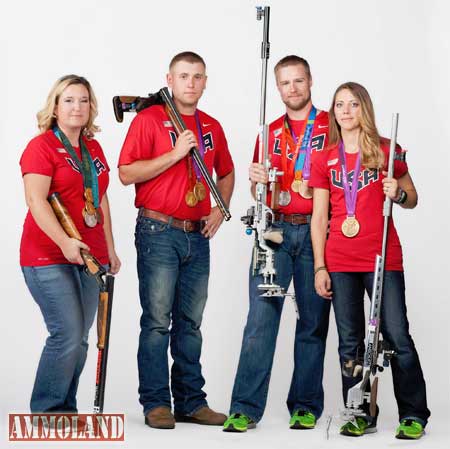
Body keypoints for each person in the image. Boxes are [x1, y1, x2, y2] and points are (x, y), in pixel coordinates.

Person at [118, 51, 235, 429]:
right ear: (169, 79)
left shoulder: (212, 126)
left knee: (191, 322)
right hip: (158, 231)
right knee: (156, 322)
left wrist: (220, 209)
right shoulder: (150, 119)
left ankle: (190, 402)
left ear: (205, 81)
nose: (191, 83)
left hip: (197, 235)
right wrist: (174, 154)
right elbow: (125, 173)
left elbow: (227, 173)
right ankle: (155, 403)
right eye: (183, 76)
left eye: (198, 76)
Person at [310, 82, 430, 439]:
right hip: (340, 259)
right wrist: (319, 265)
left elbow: (413, 199)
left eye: (353, 104)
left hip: (382, 258)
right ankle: (361, 411)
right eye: (339, 105)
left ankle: (413, 414)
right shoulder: (324, 157)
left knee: (396, 335)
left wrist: (400, 192)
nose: (345, 111)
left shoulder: (386, 150)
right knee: (350, 341)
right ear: (333, 112)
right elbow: (319, 218)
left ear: (365, 109)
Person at [223, 56, 331, 432]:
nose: (293, 89)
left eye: (298, 81)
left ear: (310, 80)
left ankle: (305, 406)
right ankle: (244, 408)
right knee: (260, 320)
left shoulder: (332, 125)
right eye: (285, 83)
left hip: (317, 231)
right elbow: (258, 192)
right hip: (275, 232)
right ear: (278, 87)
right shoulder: (268, 132)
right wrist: (255, 180)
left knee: (313, 323)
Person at [20, 74, 121, 414]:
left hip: (91, 257)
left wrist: (110, 248)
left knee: (79, 339)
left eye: (83, 100)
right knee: (67, 332)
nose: (77, 107)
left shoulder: (93, 148)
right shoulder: (41, 147)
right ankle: (46, 410)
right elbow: (36, 201)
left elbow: (100, 197)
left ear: (91, 107)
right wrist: (65, 242)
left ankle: (65, 407)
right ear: (55, 107)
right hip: (48, 255)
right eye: (69, 100)